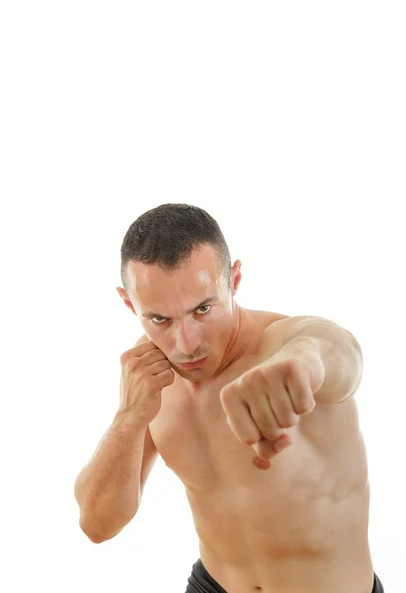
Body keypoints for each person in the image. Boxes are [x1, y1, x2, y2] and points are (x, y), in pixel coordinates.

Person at [74, 203, 384, 592]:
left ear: (233, 280)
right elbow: (97, 525)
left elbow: (341, 354)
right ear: (128, 303)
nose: (185, 344)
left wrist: (301, 364)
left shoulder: (285, 344)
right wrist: (128, 417)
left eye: (203, 309)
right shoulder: (149, 375)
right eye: (160, 320)